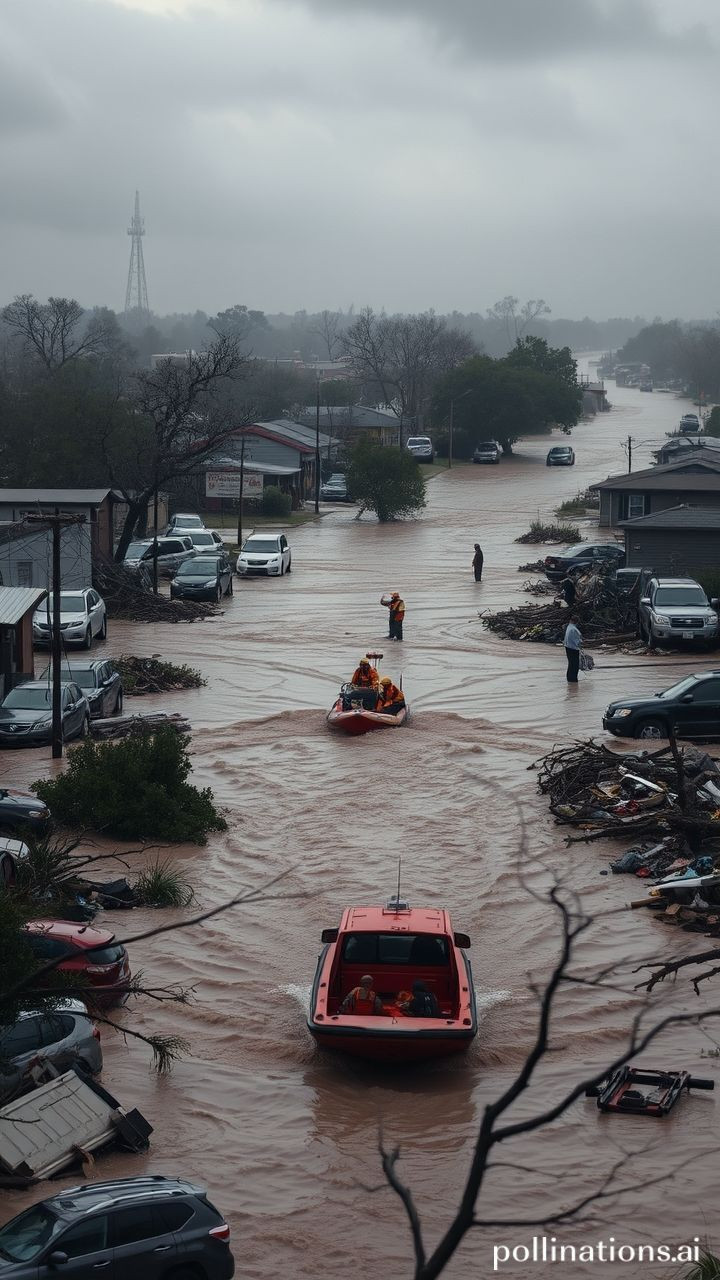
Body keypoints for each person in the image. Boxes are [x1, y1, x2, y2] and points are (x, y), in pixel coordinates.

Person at [564, 613, 583, 683]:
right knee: (574, 666)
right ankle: (573, 680)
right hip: (573, 649)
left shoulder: (569, 627)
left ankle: (570, 680)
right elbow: (577, 642)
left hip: (568, 647)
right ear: (576, 621)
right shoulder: (574, 629)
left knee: (571, 664)